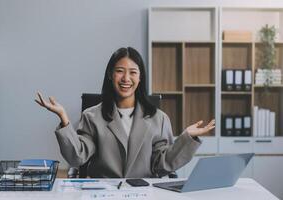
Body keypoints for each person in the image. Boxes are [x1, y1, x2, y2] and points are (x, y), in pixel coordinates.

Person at [35, 47, 215, 178]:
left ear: (140, 77)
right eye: (120, 71)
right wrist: (64, 119)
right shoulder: (92, 116)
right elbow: (77, 157)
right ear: (110, 75)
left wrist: (187, 138)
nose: (126, 79)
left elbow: (162, 164)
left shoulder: (158, 118)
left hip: (145, 193)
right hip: (104, 192)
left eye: (133, 72)